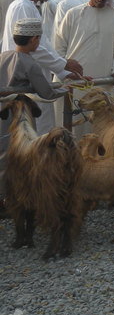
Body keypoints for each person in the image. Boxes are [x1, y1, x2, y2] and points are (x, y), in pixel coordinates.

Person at [2, 0, 83, 135]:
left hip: (34, 78)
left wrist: (64, 72)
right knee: (33, 136)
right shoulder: (22, 7)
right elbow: (34, 47)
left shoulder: (30, 6)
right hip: (25, 80)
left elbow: (43, 44)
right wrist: (64, 66)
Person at [0, 18, 70, 203]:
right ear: (34, 40)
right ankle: (8, 198)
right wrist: (65, 89)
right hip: (14, 113)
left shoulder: (3, 55)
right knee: (10, 152)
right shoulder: (29, 63)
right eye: (38, 38)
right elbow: (46, 92)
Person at [54, 0, 114, 135]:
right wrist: (64, 72)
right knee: (71, 127)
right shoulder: (73, 14)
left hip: (102, 81)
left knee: (100, 129)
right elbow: (59, 46)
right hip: (74, 81)